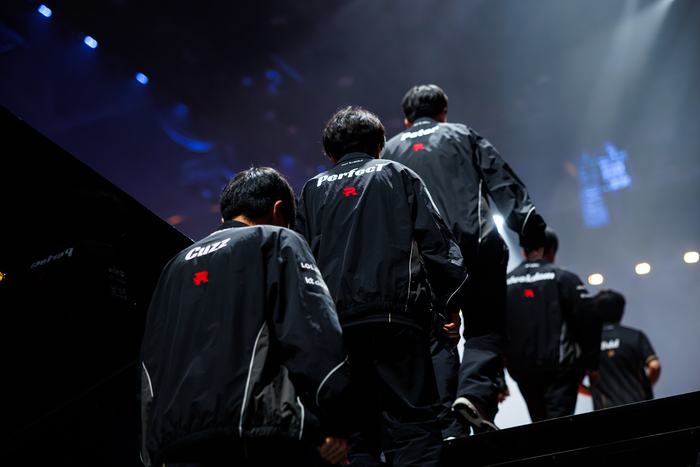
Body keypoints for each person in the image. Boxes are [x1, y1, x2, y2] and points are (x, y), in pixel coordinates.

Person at [139, 168, 351, 466]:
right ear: (279, 210)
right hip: (255, 433)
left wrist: (149, 451)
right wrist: (335, 421)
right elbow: (313, 333)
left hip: (173, 445)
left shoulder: (174, 267)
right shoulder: (277, 239)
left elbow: (150, 363)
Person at [295, 106, 467, 466]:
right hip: (396, 321)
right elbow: (437, 245)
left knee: (358, 436)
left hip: (338, 330)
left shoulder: (311, 191)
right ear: (378, 146)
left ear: (330, 154)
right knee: (414, 425)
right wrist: (450, 307)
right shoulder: (397, 174)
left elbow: (300, 263)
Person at [382, 84, 546, 435]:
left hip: (423, 258)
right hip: (477, 247)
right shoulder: (463, 135)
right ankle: (474, 396)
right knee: (486, 329)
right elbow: (503, 183)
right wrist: (530, 230)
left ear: (407, 119)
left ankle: (450, 430)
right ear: (443, 113)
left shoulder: (389, 151)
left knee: (438, 338)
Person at [505, 228, 602, 422]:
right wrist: (592, 364)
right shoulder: (564, 277)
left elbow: (495, 328)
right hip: (560, 370)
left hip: (523, 371)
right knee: (559, 427)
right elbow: (589, 318)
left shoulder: (505, 282)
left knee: (538, 424)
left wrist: (502, 370)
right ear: (551, 250)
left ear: (523, 251)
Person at [584, 289, 661, 409]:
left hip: (606, 411)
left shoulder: (589, 342)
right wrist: (646, 386)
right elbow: (654, 366)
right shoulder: (635, 336)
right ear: (622, 312)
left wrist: (595, 393)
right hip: (640, 406)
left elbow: (577, 381)